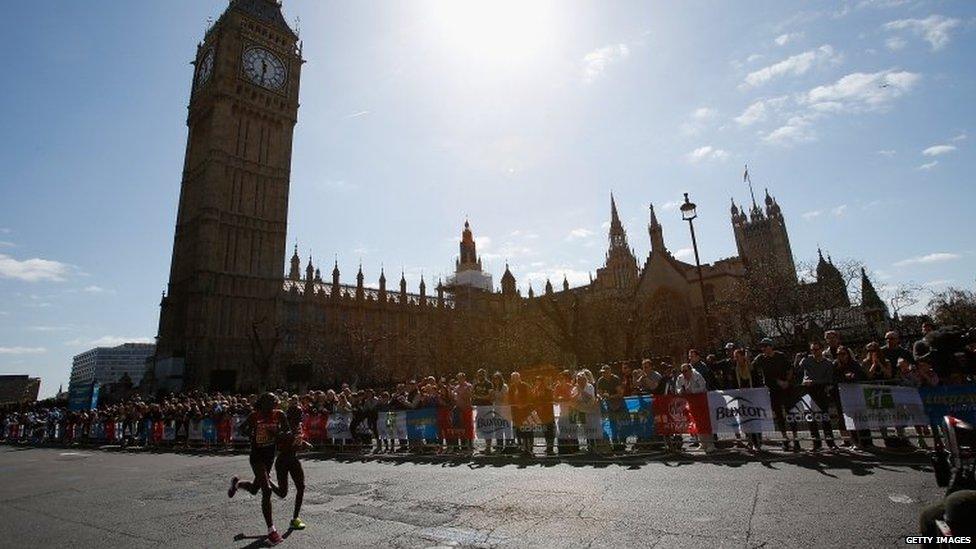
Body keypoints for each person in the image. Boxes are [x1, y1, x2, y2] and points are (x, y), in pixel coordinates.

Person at [227, 393, 290, 546]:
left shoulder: (279, 415)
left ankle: (237, 484)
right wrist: (252, 433)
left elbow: (288, 433)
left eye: (274, 403)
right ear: (262, 404)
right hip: (257, 457)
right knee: (266, 490)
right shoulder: (254, 416)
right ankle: (271, 531)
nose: (272, 407)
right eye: (270, 404)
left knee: (256, 489)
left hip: (269, 457)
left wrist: (277, 434)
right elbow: (241, 429)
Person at [753, 338, 799, 451]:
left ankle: (796, 438)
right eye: (762, 347)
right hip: (773, 390)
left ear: (771, 346)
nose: (764, 349)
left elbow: (790, 368)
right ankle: (785, 439)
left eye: (766, 346)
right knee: (778, 415)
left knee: (790, 413)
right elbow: (751, 367)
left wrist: (787, 381)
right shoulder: (761, 358)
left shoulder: (780, 356)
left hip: (785, 388)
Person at [271, 396, 307, 531]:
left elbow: (297, 443)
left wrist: (304, 443)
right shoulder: (284, 428)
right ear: (291, 416)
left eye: (300, 413)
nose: (301, 416)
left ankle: (295, 518)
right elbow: (281, 444)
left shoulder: (298, 426)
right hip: (283, 461)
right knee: (282, 493)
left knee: (301, 487)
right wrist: (295, 442)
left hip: (293, 459)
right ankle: (267, 479)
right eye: (298, 414)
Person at [797, 341, 836, 450]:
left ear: (821, 349)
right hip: (808, 391)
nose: (815, 352)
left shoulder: (828, 363)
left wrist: (813, 381)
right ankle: (816, 442)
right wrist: (799, 360)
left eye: (817, 349)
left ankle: (830, 442)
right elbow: (798, 371)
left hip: (821, 390)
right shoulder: (807, 360)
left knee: (824, 416)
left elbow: (828, 379)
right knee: (810, 417)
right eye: (813, 350)